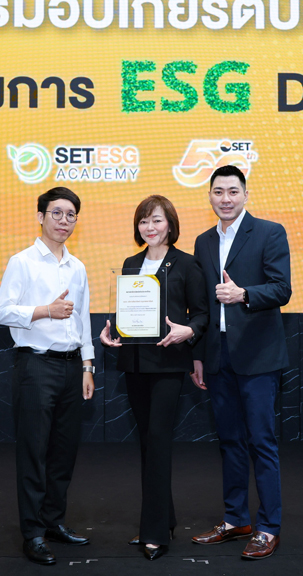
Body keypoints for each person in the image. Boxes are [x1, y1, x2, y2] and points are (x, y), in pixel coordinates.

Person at [189, 165, 292, 560]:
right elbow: (200, 305)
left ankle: (268, 528)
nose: (226, 199)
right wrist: (198, 355)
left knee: (261, 442)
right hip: (217, 356)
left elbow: (282, 288)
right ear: (210, 196)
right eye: (218, 192)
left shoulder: (269, 232)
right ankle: (235, 520)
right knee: (229, 441)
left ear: (246, 195)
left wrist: (243, 294)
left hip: (258, 356)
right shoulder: (202, 242)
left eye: (233, 191)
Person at [100, 195, 208, 561]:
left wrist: (188, 331)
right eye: (144, 221)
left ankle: (155, 533)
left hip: (168, 364)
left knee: (159, 441)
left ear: (171, 224)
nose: (150, 227)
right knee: (148, 443)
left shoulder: (187, 264)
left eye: (157, 220)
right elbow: (128, 312)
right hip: (134, 364)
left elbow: (202, 314)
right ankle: (165, 519)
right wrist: (112, 331)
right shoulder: (131, 264)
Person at [0, 186, 96, 566]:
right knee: (34, 452)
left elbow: (84, 319)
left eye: (71, 215)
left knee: (63, 453)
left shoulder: (78, 267)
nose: (64, 221)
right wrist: (43, 311)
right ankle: (33, 533)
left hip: (72, 368)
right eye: (57, 213)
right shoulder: (21, 262)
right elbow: (1, 312)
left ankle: (54, 522)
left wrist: (88, 366)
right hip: (36, 366)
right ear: (40, 217)